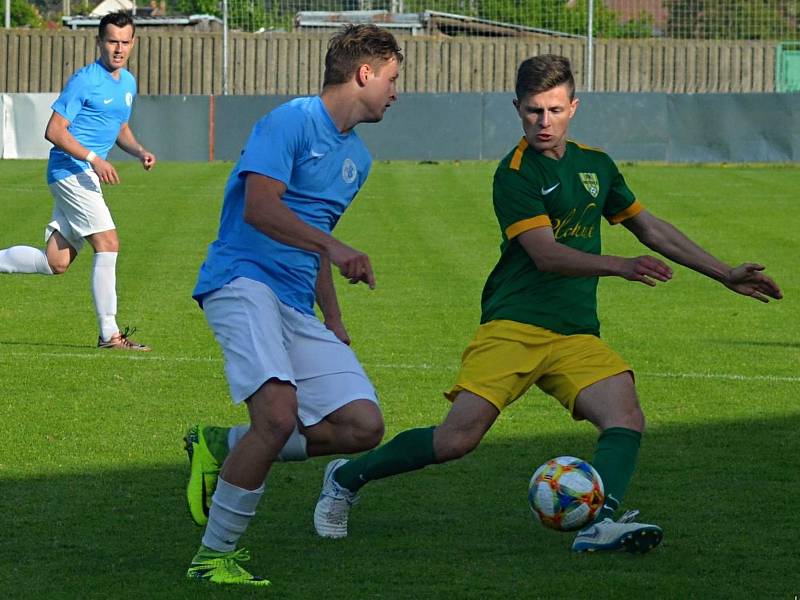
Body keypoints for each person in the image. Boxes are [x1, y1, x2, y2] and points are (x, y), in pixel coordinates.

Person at [312, 54, 783, 554]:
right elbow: (545, 255)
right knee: (456, 441)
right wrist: (619, 265)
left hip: (575, 331)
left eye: (555, 109)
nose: (544, 121)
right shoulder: (514, 174)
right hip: (514, 326)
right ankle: (347, 476)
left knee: (626, 418)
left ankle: (601, 521)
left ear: (573, 106)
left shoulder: (595, 165)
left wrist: (724, 273)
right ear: (517, 108)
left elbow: (650, 227)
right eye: (534, 110)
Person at [183, 24, 402, 586]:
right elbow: (260, 208)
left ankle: (220, 444)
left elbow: (313, 233)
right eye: (393, 79)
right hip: (240, 280)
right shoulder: (291, 121)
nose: (396, 92)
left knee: (361, 425)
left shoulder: (360, 160)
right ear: (364, 74)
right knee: (278, 417)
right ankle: (212, 558)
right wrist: (334, 245)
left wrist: (334, 319)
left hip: (295, 303)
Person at [0, 12, 155, 350]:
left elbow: (119, 128)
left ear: (133, 44)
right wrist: (94, 159)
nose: (118, 48)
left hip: (82, 173)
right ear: (99, 42)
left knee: (55, 262)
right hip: (70, 171)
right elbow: (54, 131)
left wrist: (139, 150)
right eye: (112, 41)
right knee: (109, 243)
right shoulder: (85, 80)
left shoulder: (127, 82)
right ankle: (109, 335)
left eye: (124, 42)